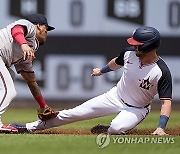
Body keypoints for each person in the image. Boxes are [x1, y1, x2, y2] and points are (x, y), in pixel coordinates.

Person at [10, 26, 172, 135]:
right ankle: (28, 127)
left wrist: (160, 127)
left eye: (137, 44)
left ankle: (109, 129)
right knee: (73, 113)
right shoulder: (129, 54)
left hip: (137, 108)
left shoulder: (161, 71)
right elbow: (116, 62)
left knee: (116, 128)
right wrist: (102, 70)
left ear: (148, 46)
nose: (134, 46)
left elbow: (166, 102)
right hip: (115, 96)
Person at [0, 13, 58, 133]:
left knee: (10, 75)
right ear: (37, 26)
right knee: (8, 90)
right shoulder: (29, 26)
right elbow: (17, 30)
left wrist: (43, 106)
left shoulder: (27, 51)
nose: (46, 32)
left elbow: (31, 82)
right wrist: (24, 44)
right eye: (45, 28)